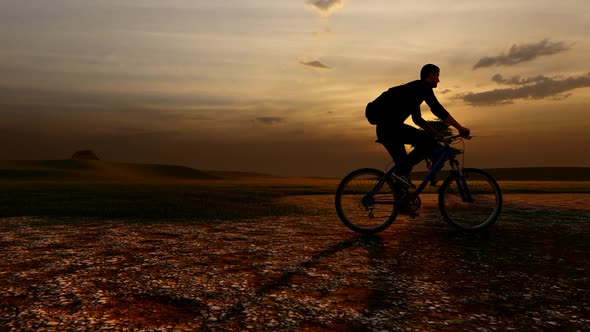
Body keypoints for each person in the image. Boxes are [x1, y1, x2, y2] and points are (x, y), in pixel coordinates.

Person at [371, 64, 470, 188]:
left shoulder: (414, 90)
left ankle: (401, 196)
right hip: (391, 129)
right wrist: (460, 128)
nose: (438, 80)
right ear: (430, 75)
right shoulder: (424, 87)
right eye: (437, 76)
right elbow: (437, 109)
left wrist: (437, 134)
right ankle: (402, 173)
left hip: (384, 129)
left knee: (403, 168)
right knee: (426, 142)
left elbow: (417, 120)